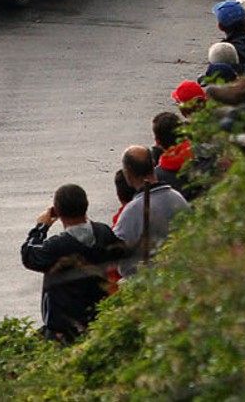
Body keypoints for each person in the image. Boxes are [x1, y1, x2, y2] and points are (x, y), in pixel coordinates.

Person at [20, 184, 126, 341]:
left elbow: (28, 255)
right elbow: (121, 251)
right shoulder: (103, 233)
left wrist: (41, 227)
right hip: (98, 319)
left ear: (58, 211)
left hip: (64, 330)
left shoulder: (57, 247)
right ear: (86, 206)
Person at [112, 145, 190, 277]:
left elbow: (114, 251)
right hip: (180, 274)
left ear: (128, 172)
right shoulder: (177, 198)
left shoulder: (132, 211)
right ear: (153, 164)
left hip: (145, 283)